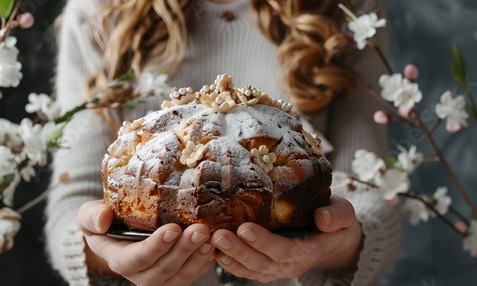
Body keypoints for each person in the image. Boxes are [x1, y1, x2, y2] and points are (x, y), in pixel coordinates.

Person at [46, 0, 401, 285]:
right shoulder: (98, 14)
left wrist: (335, 244)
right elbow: (74, 204)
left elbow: (369, 192)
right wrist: (112, 257)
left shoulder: (348, 13)